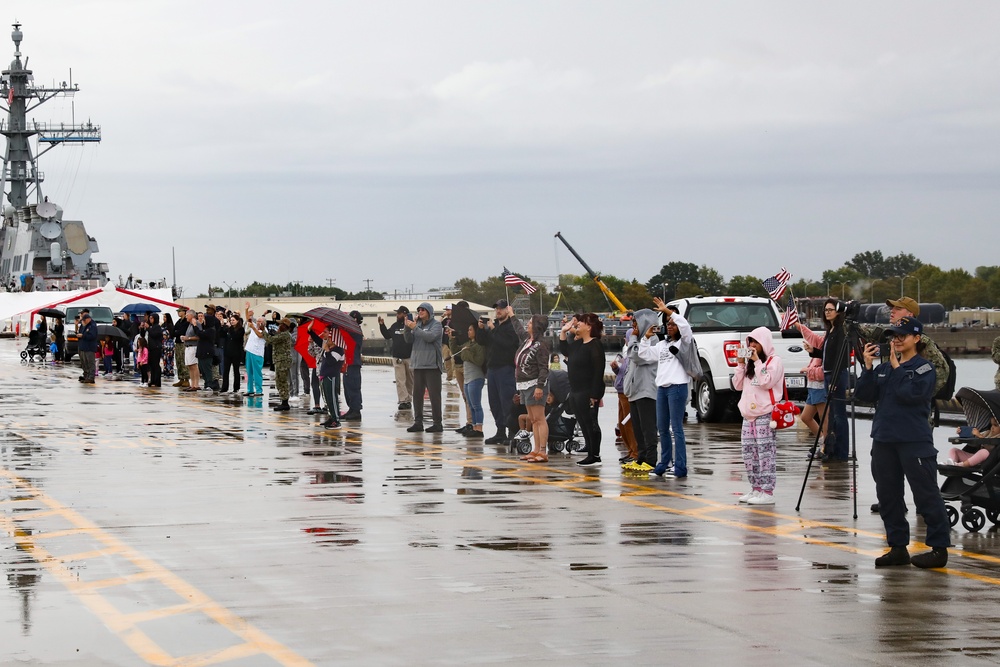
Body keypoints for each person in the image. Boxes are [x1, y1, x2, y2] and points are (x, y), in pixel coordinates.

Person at [857, 316, 950, 569]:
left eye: (902, 336)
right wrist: (868, 368)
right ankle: (898, 547)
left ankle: (939, 548)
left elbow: (912, 395)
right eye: (893, 336)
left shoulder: (924, 368)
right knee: (888, 496)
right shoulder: (885, 368)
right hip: (884, 439)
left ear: (916, 338)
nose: (896, 340)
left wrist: (898, 368)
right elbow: (864, 395)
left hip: (913, 440)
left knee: (926, 494)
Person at [637, 298, 693, 478]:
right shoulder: (662, 345)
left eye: (673, 324)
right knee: (662, 428)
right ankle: (663, 464)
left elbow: (685, 326)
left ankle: (680, 467)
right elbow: (644, 354)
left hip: (677, 387)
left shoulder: (684, 342)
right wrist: (646, 338)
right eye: (668, 324)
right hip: (662, 389)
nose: (670, 326)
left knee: (676, 428)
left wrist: (668, 311)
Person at [733, 327, 785, 505]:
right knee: (749, 455)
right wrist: (741, 364)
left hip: (765, 413)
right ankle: (755, 488)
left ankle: (767, 491)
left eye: (756, 342)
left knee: (765, 454)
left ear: (765, 342)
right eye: (750, 342)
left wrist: (757, 362)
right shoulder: (750, 364)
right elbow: (737, 385)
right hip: (748, 415)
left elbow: (766, 382)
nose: (753, 345)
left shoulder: (774, 361)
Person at [559, 313, 606, 467]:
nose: (578, 324)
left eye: (582, 322)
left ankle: (595, 455)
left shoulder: (595, 345)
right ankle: (589, 453)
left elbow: (598, 371)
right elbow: (565, 350)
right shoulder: (578, 344)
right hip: (575, 390)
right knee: (583, 423)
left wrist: (595, 394)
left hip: (588, 391)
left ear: (589, 327)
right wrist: (564, 331)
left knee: (591, 423)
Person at [621, 309, 659, 473]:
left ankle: (651, 460)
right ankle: (641, 457)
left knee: (648, 428)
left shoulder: (653, 340)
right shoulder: (637, 341)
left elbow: (637, 356)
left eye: (635, 322)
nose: (633, 326)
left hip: (647, 390)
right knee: (637, 428)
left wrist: (634, 338)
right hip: (635, 390)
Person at [479, 300, 521, 444]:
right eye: (496, 308)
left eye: (501, 309)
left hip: (506, 368)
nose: (498, 311)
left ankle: (512, 432)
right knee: (494, 402)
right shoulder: (495, 325)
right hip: (492, 368)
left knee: (507, 401)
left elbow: (506, 343)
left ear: (508, 310)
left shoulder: (511, 326)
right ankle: (500, 430)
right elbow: (483, 342)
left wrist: (492, 330)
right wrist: (481, 329)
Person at [404, 302, 444, 433]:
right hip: (418, 365)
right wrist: (407, 327)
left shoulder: (436, 325)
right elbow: (408, 340)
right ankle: (418, 422)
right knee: (417, 395)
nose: (420, 312)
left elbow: (430, 337)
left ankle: (437, 423)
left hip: (432, 366)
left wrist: (415, 328)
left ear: (429, 312)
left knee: (434, 396)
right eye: (419, 310)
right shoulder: (418, 325)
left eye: (423, 310)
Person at [514, 315, 550, 462]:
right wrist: (511, 316)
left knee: (539, 418)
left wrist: (540, 386)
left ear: (537, 326)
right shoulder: (527, 341)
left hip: (534, 383)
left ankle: (543, 451)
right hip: (524, 383)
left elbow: (543, 367)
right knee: (533, 419)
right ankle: (535, 449)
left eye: (530, 323)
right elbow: (519, 330)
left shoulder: (541, 345)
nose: (527, 325)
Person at [795, 323, 829, 456]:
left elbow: (824, 372)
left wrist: (808, 370)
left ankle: (826, 447)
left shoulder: (828, 348)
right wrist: (798, 325)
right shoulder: (822, 343)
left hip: (820, 386)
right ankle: (822, 441)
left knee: (824, 418)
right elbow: (811, 336)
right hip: (813, 386)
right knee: (805, 417)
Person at [248, 314, 293, 411]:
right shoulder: (282, 334)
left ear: (284, 326)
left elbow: (271, 340)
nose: (278, 326)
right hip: (280, 360)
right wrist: (272, 334)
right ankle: (284, 401)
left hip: (283, 361)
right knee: (279, 381)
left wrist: (264, 331)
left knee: (282, 381)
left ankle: (285, 402)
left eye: (280, 325)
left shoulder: (285, 335)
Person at [448, 301, 478, 433]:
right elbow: (454, 349)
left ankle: (472, 422)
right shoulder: (454, 324)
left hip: (467, 365)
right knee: (464, 395)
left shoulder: (472, 327)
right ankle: (468, 421)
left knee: (470, 396)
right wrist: (452, 337)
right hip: (457, 363)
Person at [379, 306, 414, 410]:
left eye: (399, 313)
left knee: (410, 380)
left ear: (405, 314)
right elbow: (387, 335)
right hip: (398, 357)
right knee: (400, 380)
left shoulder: (411, 325)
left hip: (410, 356)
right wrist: (382, 325)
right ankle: (403, 400)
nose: (397, 315)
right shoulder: (395, 326)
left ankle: (409, 400)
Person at [457, 323, 487, 439]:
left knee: (476, 404)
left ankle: (479, 428)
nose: (468, 332)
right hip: (467, 378)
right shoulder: (468, 344)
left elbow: (479, 360)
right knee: (470, 404)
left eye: (470, 330)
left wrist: (467, 352)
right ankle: (474, 427)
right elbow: (457, 351)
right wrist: (452, 339)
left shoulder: (479, 346)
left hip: (476, 377)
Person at [610, 348, 638, 466]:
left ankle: (635, 452)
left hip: (628, 394)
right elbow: (622, 374)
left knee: (629, 424)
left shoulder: (634, 357)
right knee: (622, 424)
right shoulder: (626, 358)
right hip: (621, 393)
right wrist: (616, 369)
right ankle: (630, 450)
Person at [341, 311, 364, 421]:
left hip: (353, 363)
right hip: (348, 362)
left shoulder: (356, 331)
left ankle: (356, 410)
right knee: (347, 387)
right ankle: (351, 408)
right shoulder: (350, 331)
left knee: (353, 387)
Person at [243, 305, 266, 397]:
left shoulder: (265, 330)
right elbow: (248, 319)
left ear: (264, 323)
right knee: (249, 372)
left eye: (260, 322)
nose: (258, 323)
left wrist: (253, 327)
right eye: (258, 321)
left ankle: (259, 390)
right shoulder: (254, 326)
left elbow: (260, 336)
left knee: (257, 372)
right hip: (249, 350)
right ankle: (250, 390)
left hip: (257, 353)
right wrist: (246, 309)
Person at [195, 311, 220, 392]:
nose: (203, 321)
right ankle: (206, 383)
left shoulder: (211, 330)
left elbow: (200, 334)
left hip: (207, 352)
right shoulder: (205, 329)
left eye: (205, 320)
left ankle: (209, 384)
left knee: (207, 369)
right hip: (201, 351)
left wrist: (195, 326)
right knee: (202, 369)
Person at [221, 313, 244, 393]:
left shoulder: (241, 329)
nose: (232, 322)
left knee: (236, 370)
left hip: (236, 352)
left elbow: (235, 337)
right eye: (231, 320)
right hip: (228, 352)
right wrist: (223, 326)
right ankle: (224, 387)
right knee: (226, 370)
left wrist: (229, 328)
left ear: (237, 321)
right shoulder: (228, 329)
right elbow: (222, 335)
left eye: (233, 320)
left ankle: (236, 387)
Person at [182, 310, 202, 392]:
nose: (186, 316)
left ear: (192, 315)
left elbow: (199, 336)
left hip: (193, 346)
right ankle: (192, 384)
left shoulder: (196, 323)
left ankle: (196, 384)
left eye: (187, 315)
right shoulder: (189, 324)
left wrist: (189, 338)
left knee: (194, 365)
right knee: (190, 366)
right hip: (188, 346)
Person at [172, 306, 190, 387]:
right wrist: (177, 332)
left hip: (183, 343)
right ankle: (181, 378)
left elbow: (182, 331)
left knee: (183, 361)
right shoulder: (178, 321)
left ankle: (186, 379)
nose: (178, 313)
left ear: (184, 312)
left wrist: (177, 332)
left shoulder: (186, 322)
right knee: (178, 361)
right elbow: (173, 331)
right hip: (178, 342)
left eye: (180, 311)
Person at [78, 312, 98, 383]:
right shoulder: (84, 325)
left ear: (88, 319)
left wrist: (83, 336)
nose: (83, 322)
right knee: (84, 363)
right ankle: (86, 375)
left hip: (89, 347)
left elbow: (92, 336)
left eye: (84, 320)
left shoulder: (92, 326)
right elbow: (80, 332)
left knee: (90, 362)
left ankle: (91, 377)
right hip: (83, 346)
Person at [146, 313, 163, 388]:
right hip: (151, 348)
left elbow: (154, 334)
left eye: (152, 318)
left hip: (156, 348)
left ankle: (157, 381)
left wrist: (148, 328)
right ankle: (152, 380)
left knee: (156, 365)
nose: (150, 320)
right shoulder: (152, 327)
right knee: (152, 365)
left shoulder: (157, 327)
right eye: (150, 318)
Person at [441, 304, 454, 383]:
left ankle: (454, 377)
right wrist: (442, 316)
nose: (446, 311)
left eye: (448, 310)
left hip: (452, 342)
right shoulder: (445, 320)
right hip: (445, 342)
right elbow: (437, 324)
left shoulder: (455, 319)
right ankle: (449, 377)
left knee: (453, 361)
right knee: (446, 361)